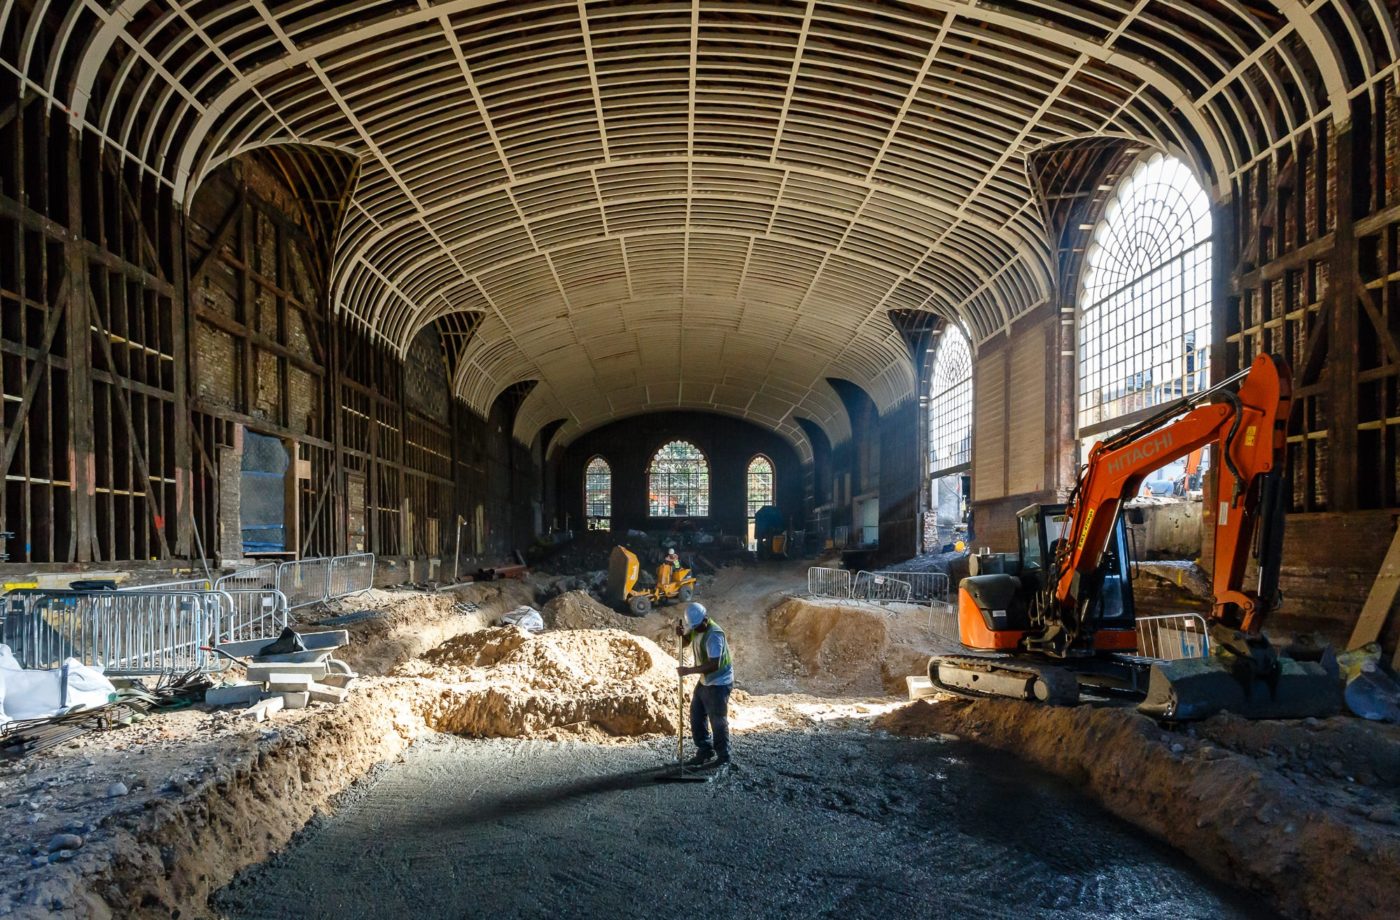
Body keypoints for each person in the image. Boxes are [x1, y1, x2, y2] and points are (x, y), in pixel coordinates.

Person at [675, 602, 733, 769]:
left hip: (719, 682)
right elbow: (686, 642)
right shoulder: (697, 627)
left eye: (697, 626)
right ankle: (705, 750)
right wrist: (681, 636)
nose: (695, 630)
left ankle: (723, 756)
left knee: (717, 720)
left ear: (705, 620)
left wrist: (689, 671)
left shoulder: (714, 636)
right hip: (705, 681)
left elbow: (714, 664)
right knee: (697, 715)